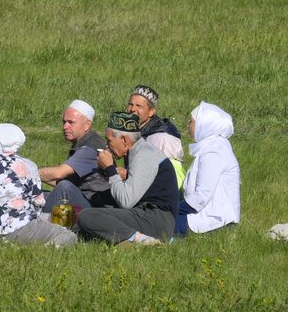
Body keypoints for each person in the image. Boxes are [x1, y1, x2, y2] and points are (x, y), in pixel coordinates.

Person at [75, 112, 180, 245]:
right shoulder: (137, 151)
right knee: (84, 224)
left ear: (125, 140)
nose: (107, 146)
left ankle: (140, 240)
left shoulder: (144, 155)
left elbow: (126, 201)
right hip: (145, 215)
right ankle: (128, 238)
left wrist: (110, 169)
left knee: (86, 216)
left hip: (156, 220)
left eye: (109, 140)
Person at [0, 123, 76, 246]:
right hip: (13, 228)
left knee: (49, 218)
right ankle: (44, 251)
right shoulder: (26, 165)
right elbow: (38, 203)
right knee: (68, 235)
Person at [178, 102, 240, 234]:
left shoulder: (214, 151)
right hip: (208, 215)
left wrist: (175, 209)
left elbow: (202, 195)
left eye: (191, 121)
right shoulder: (212, 146)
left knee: (159, 222)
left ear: (204, 124)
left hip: (213, 220)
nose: (188, 125)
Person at [37, 100, 110, 207]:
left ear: (87, 125)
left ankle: (40, 222)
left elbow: (59, 174)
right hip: (85, 199)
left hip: (96, 206)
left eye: (71, 122)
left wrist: (28, 172)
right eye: (64, 122)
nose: (65, 127)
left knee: (64, 187)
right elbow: (61, 180)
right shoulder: (83, 142)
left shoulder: (90, 149)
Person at [127, 85, 183, 161]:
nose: (132, 109)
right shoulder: (132, 130)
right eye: (130, 104)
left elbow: (166, 170)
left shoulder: (162, 139)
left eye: (139, 106)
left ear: (151, 112)